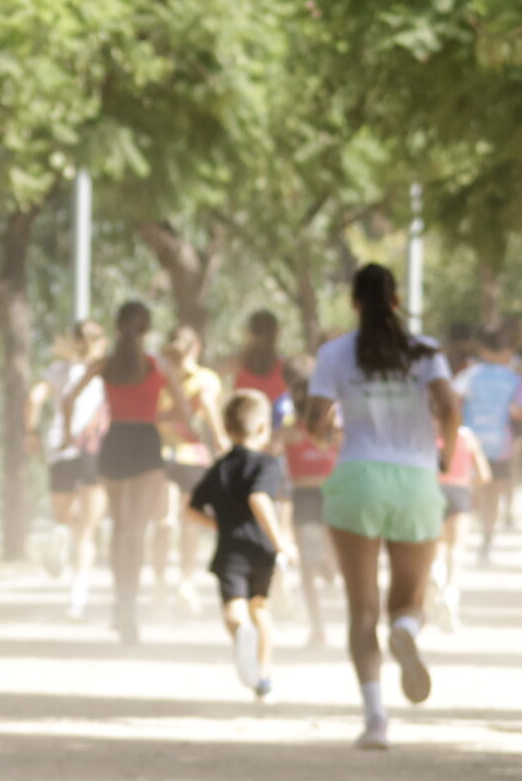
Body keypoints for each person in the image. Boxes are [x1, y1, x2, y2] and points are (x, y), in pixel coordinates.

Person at [305, 263, 460, 751]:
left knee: (361, 609)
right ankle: (407, 630)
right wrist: (447, 454)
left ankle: (375, 719)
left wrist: (327, 437)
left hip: (358, 478)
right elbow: (449, 406)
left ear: (354, 303)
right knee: (409, 600)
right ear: (396, 301)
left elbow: (315, 418)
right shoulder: (425, 351)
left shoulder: (334, 353)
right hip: (416, 480)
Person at [67, 301, 168, 644]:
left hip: (116, 442)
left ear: (116, 327)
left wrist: (68, 432)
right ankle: (130, 601)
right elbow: (184, 411)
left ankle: (119, 600)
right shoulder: (157, 366)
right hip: (146, 441)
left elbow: (69, 399)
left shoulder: (104, 364)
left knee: (120, 526)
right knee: (136, 530)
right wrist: (154, 414)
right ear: (147, 329)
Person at [187, 389, 295, 702]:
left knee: (235, 610)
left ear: (227, 427)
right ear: (262, 428)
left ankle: (241, 633)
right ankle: (263, 677)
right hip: (261, 548)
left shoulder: (220, 466)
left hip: (230, 549)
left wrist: (219, 525)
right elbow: (259, 498)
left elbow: (191, 509)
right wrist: (280, 541)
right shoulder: (267, 464)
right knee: (260, 608)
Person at [29, 318, 109, 618]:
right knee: (87, 529)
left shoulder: (57, 370)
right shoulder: (104, 372)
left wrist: (31, 432)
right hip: (93, 450)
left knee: (65, 518)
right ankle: (78, 596)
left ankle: (60, 531)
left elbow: (33, 398)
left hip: (60, 449)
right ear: (101, 343)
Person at [455, 323, 522, 565]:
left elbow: (452, 403)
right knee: (493, 495)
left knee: (472, 493)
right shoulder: (514, 379)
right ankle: (486, 541)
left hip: (471, 444)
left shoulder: (469, 375)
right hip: (501, 445)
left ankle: (464, 541)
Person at [156, 326, 225, 607]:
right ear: (196, 347)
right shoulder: (206, 378)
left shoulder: (160, 377)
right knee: (188, 521)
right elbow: (208, 411)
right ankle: (184, 581)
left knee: (165, 522)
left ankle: (161, 583)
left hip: (163, 455)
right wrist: (222, 443)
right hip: (192, 458)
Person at [279, 354, 337, 648]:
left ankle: (320, 625)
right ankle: (318, 627)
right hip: (311, 497)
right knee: (314, 565)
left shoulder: (332, 430)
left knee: (320, 566)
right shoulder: (289, 432)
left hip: (322, 496)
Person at [434, 421, 491, 632]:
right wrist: (466, 482)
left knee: (438, 545)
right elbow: (484, 475)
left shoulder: (429, 435)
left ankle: (436, 576)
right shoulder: (467, 438)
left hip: (434, 490)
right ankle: (450, 593)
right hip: (459, 491)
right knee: (456, 548)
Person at [227, 310, 287, 402]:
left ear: (249, 332)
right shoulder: (286, 368)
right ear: (276, 333)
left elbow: (210, 377)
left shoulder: (236, 363)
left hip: (243, 411)